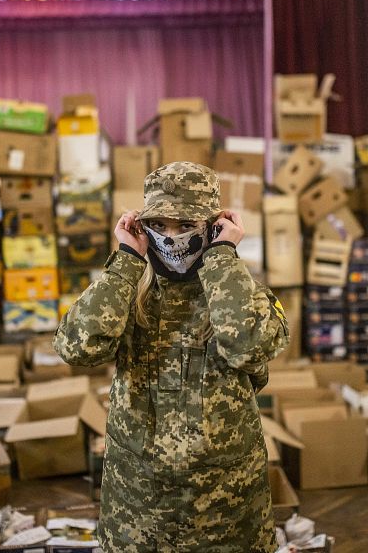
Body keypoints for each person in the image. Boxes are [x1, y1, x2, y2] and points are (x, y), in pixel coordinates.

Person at [54, 161, 289, 552]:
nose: (171, 237)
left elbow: (251, 344)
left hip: (226, 507)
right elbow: (78, 347)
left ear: (213, 227)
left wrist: (222, 256)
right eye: (159, 225)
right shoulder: (129, 291)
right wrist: (127, 261)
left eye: (185, 226)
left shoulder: (241, 292)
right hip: (139, 507)